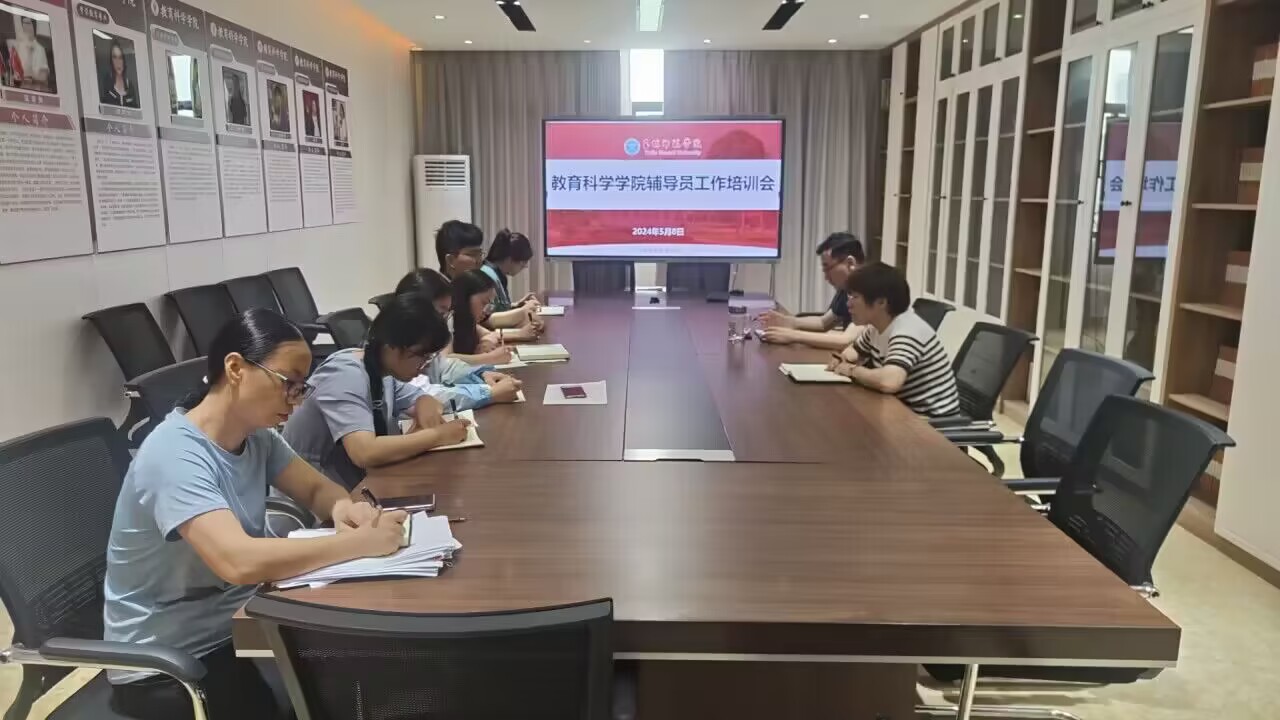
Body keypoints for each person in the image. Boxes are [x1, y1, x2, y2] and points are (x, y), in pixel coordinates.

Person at [103, 309, 409, 720]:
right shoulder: (173, 455)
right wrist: (358, 543)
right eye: (288, 383)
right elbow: (238, 562)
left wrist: (345, 509)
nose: (295, 400)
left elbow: (316, 489)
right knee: (334, 697)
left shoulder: (256, 437)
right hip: (170, 664)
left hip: (239, 626)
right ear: (235, 368)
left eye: (302, 388)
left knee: (361, 678)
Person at [282, 292, 472, 490]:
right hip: (312, 495)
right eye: (422, 355)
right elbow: (364, 452)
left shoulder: (382, 371)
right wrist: (437, 436)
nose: (426, 365)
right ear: (392, 347)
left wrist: (425, 407)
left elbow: (424, 399)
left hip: (357, 485)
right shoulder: (344, 375)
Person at [827, 262, 960, 418]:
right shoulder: (876, 327)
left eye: (855, 297)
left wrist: (851, 370)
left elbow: (889, 381)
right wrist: (842, 359)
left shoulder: (906, 330)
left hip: (933, 423)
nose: (848, 304)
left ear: (881, 302)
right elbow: (855, 350)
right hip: (904, 410)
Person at [395, 267, 524, 408]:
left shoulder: (423, 340)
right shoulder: (399, 346)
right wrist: (489, 393)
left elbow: (444, 367)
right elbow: (423, 396)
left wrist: (480, 375)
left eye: (447, 314)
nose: (444, 321)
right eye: (441, 313)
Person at [760, 233, 865, 350]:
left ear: (850, 263)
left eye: (828, 268)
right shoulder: (847, 289)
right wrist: (788, 322)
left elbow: (845, 340)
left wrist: (793, 336)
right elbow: (823, 323)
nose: (826, 277)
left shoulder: (870, 289)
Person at [448, 269, 521, 366]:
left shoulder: (469, 322)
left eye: (489, 304)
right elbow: (445, 359)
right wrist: (491, 358)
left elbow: (490, 335)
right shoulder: (448, 318)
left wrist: (486, 342)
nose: (487, 311)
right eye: (484, 302)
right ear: (465, 297)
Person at [481, 229, 546, 334]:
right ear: (509, 259)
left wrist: (516, 305)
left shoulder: (496, 274)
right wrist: (522, 311)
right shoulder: (487, 276)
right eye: (523, 263)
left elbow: (497, 308)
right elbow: (485, 320)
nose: (525, 267)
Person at [6, 16, 52, 92]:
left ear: (33, 26)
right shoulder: (19, 46)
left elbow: (43, 76)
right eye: (23, 23)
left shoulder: (40, 48)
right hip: (20, 88)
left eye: (28, 23)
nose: (25, 26)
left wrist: (28, 76)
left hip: (35, 89)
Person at [100, 40, 137, 108]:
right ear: (111, 60)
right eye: (114, 57)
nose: (118, 62)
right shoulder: (105, 84)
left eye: (120, 57)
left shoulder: (130, 86)